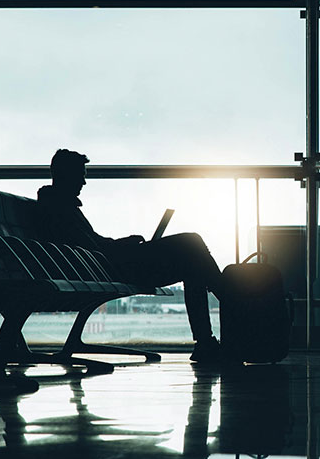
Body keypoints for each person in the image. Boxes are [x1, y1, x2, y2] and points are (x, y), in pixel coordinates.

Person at [37, 149, 225, 362]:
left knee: (193, 260)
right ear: (67, 175)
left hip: (111, 265)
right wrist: (122, 246)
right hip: (114, 268)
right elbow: (93, 249)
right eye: (81, 175)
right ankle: (228, 300)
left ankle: (208, 338)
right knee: (192, 243)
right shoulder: (60, 208)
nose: (84, 182)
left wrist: (122, 243)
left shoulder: (58, 205)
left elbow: (92, 244)